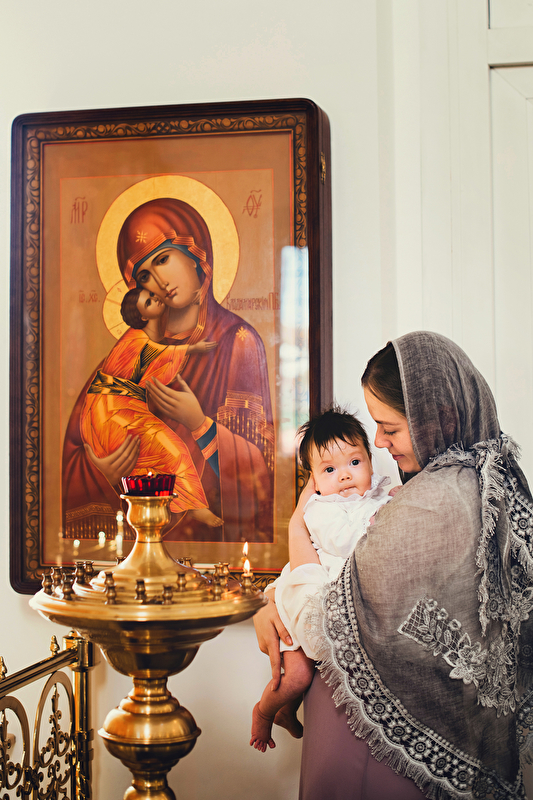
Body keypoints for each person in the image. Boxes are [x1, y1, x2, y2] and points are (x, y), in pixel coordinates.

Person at [253, 331, 533, 799]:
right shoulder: (474, 478)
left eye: (390, 427)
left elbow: (322, 628)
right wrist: (272, 599)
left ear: (437, 417)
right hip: (372, 715)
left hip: (377, 736)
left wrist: (296, 533)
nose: (380, 442)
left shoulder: (435, 501)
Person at [62, 197, 274, 543]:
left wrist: (199, 423)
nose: (160, 280)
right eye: (145, 275)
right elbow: (76, 455)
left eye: (163, 259)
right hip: (138, 540)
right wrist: (101, 471)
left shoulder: (238, 342)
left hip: (211, 550)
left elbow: (264, 474)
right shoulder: (125, 355)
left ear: (197, 255)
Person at [250, 407, 393, 753]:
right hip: (300, 598)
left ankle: (286, 710)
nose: (344, 476)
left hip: (330, 599)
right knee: (297, 676)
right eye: (329, 469)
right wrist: (378, 521)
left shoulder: (379, 496)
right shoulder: (320, 509)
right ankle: (265, 711)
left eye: (354, 462)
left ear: (370, 462)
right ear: (313, 480)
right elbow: (343, 542)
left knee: (307, 675)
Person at [80, 286, 221, 526]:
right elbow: (155, 353)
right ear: (143, 316)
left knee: (158, 456)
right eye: (149, 301)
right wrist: (191, 348)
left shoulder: (153, 340)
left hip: (128, 406)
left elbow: (155, 360)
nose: (156, 297)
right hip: (110, 411)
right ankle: (192, 505)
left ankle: (176, 506)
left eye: (153, 295)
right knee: (172, 450)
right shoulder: (133, 339)